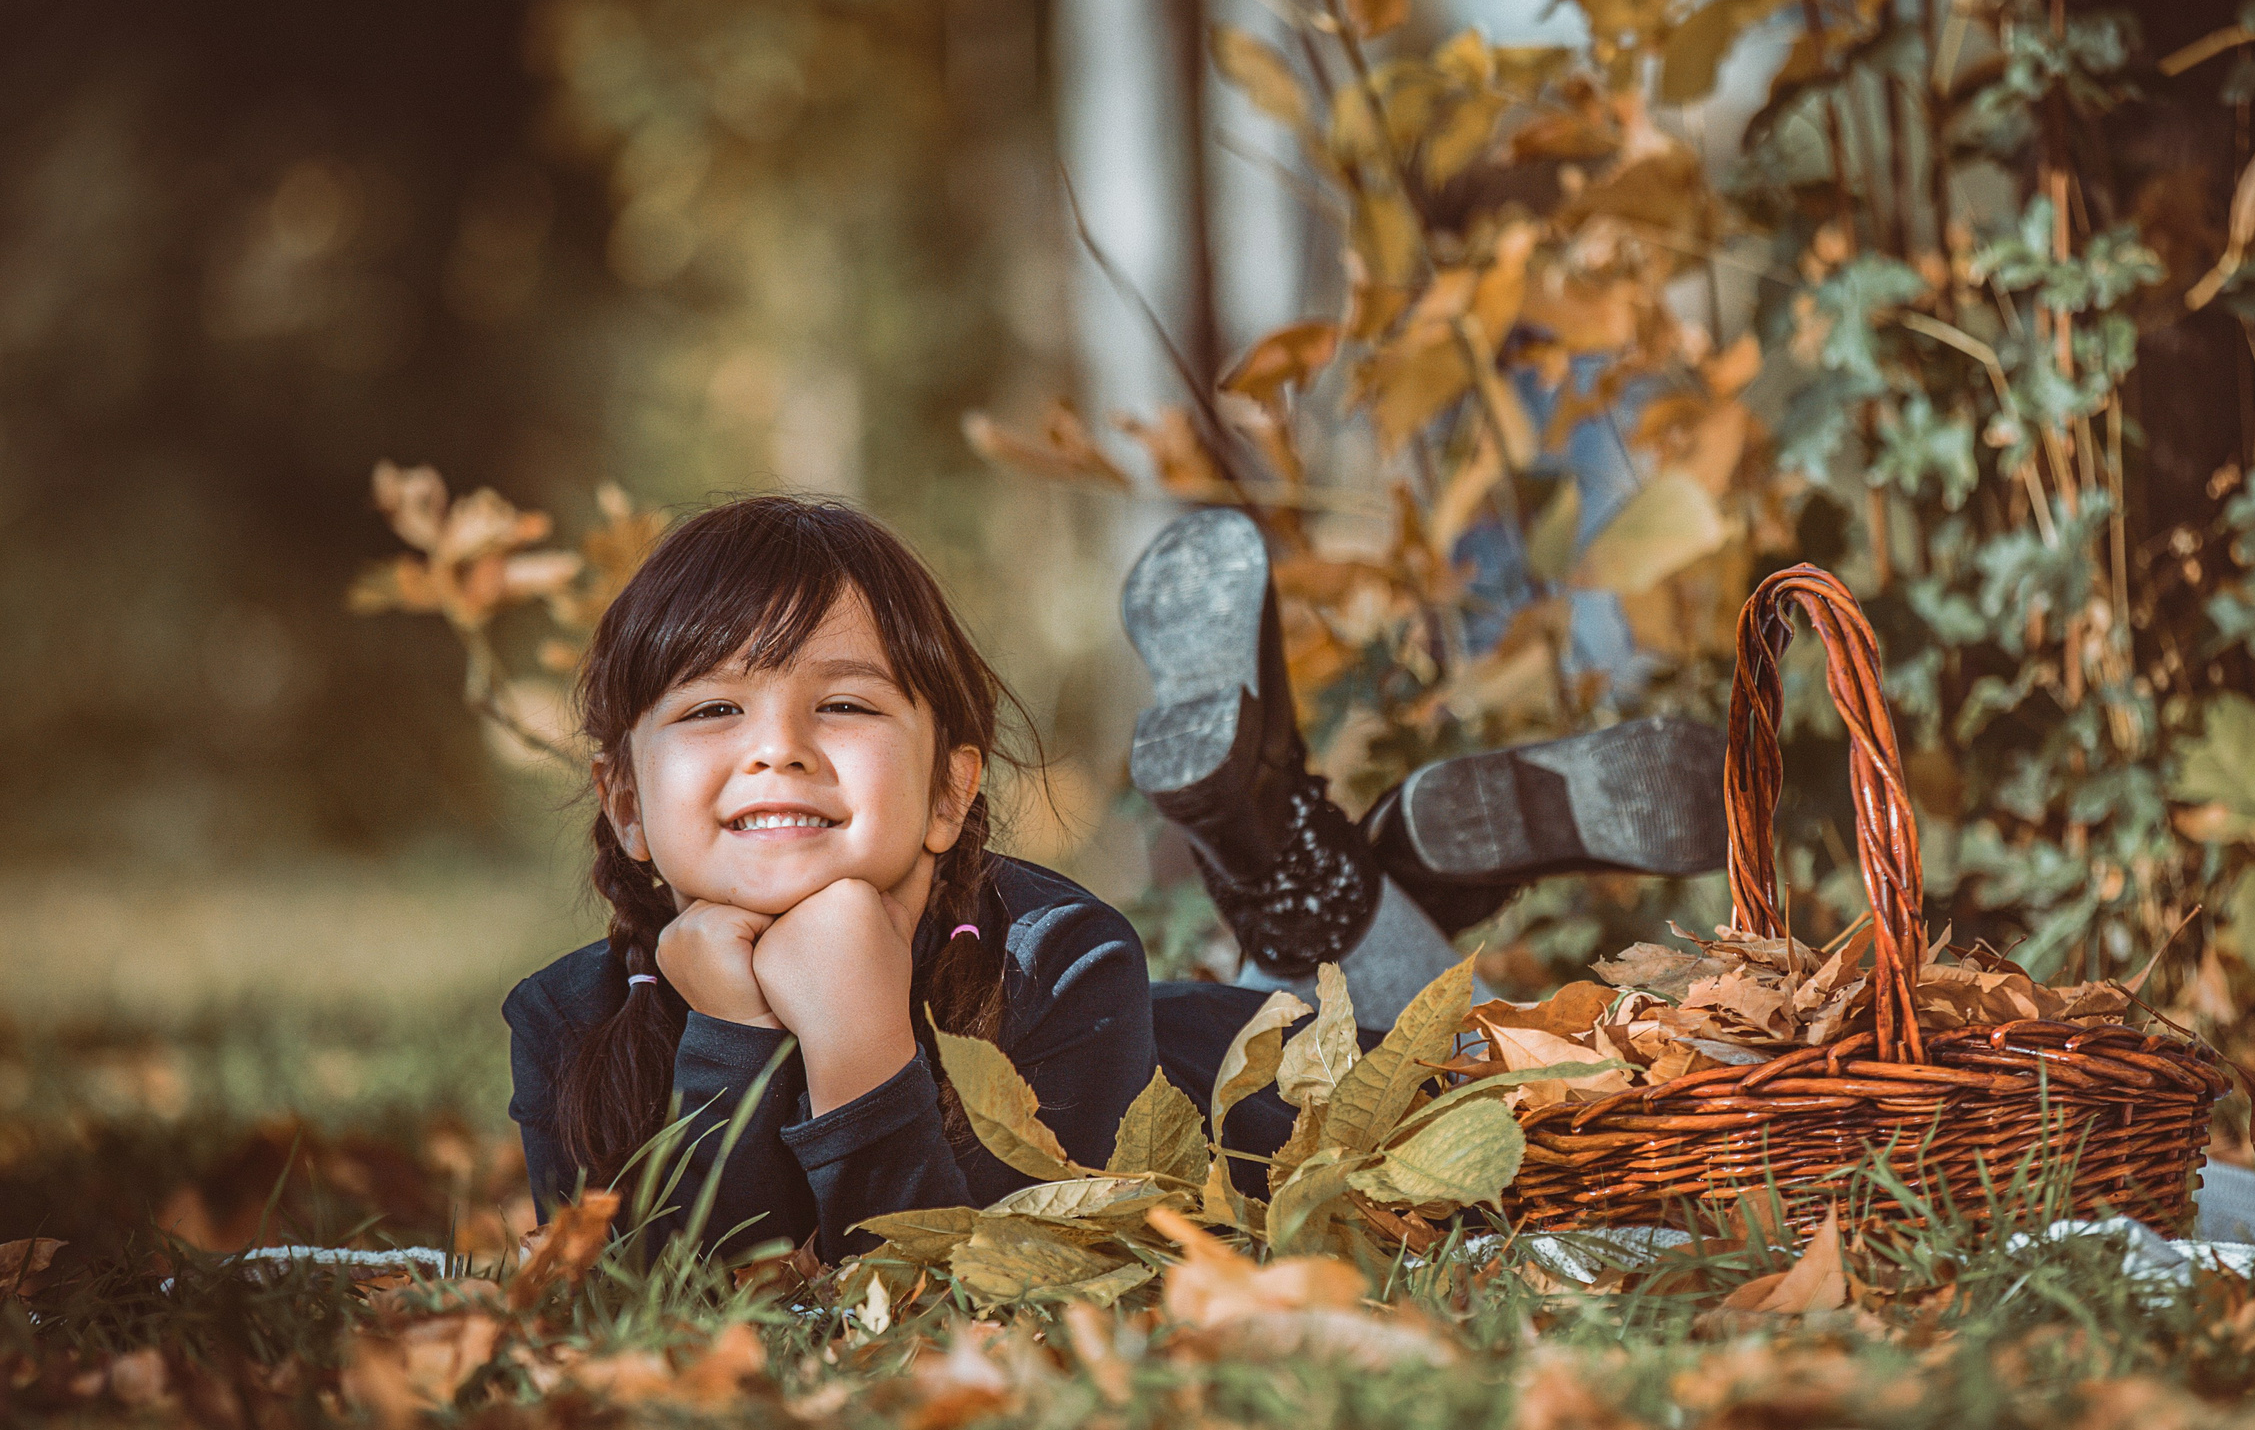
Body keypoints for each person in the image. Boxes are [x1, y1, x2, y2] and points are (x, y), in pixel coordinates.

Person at [502, 496, 1725, 1262]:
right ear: (627, 802)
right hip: (1242, 1014)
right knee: (1311, 938)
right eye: (715, 706)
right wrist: (732, 1028)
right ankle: (1312, 844)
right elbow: (674, 1289)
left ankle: (1302, 857)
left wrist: (861, 1043)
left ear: (946, 794)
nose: (778, 746)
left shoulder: (1059, 956)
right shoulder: (564, 1026)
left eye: (844, 703)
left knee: (1370, 1019)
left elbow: (992, 1275)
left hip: (1311, 1072)